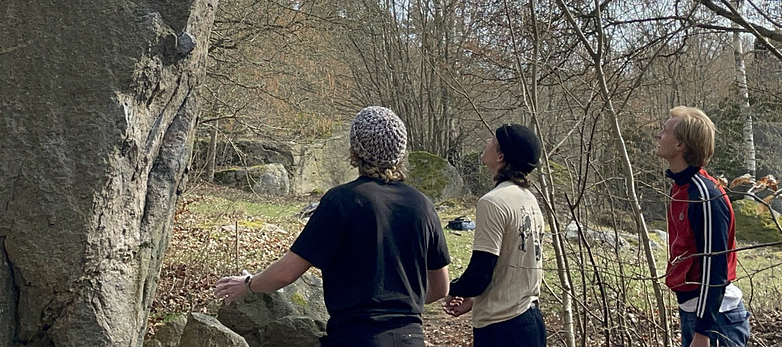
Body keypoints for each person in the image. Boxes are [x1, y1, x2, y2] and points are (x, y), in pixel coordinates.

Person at [214, 106, 451, 346]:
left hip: (355, 337)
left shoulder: (343, 201)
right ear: (400, 152)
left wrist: (248, 284)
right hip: (409, 338)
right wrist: (403, 304)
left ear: (355, 150)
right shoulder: (423, 205)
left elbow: (287, 272)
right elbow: (440, 288)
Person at [655, 107, 751, 347]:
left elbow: (714, 266)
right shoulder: (681, 188)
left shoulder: (705, 195)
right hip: (696, 314)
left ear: (681, 145)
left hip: (717, 322)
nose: (659, 135)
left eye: (665, 131)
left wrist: (703, 331)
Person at [443, 124, 547, 346]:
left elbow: (480, 273)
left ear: (501, 156)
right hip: (531, 323)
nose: (486, 142)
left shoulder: (493, 202)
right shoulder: (530, 201)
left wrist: (452, 289)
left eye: (492, 140)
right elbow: (512, 269)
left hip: (502, 329)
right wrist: (474, 299)